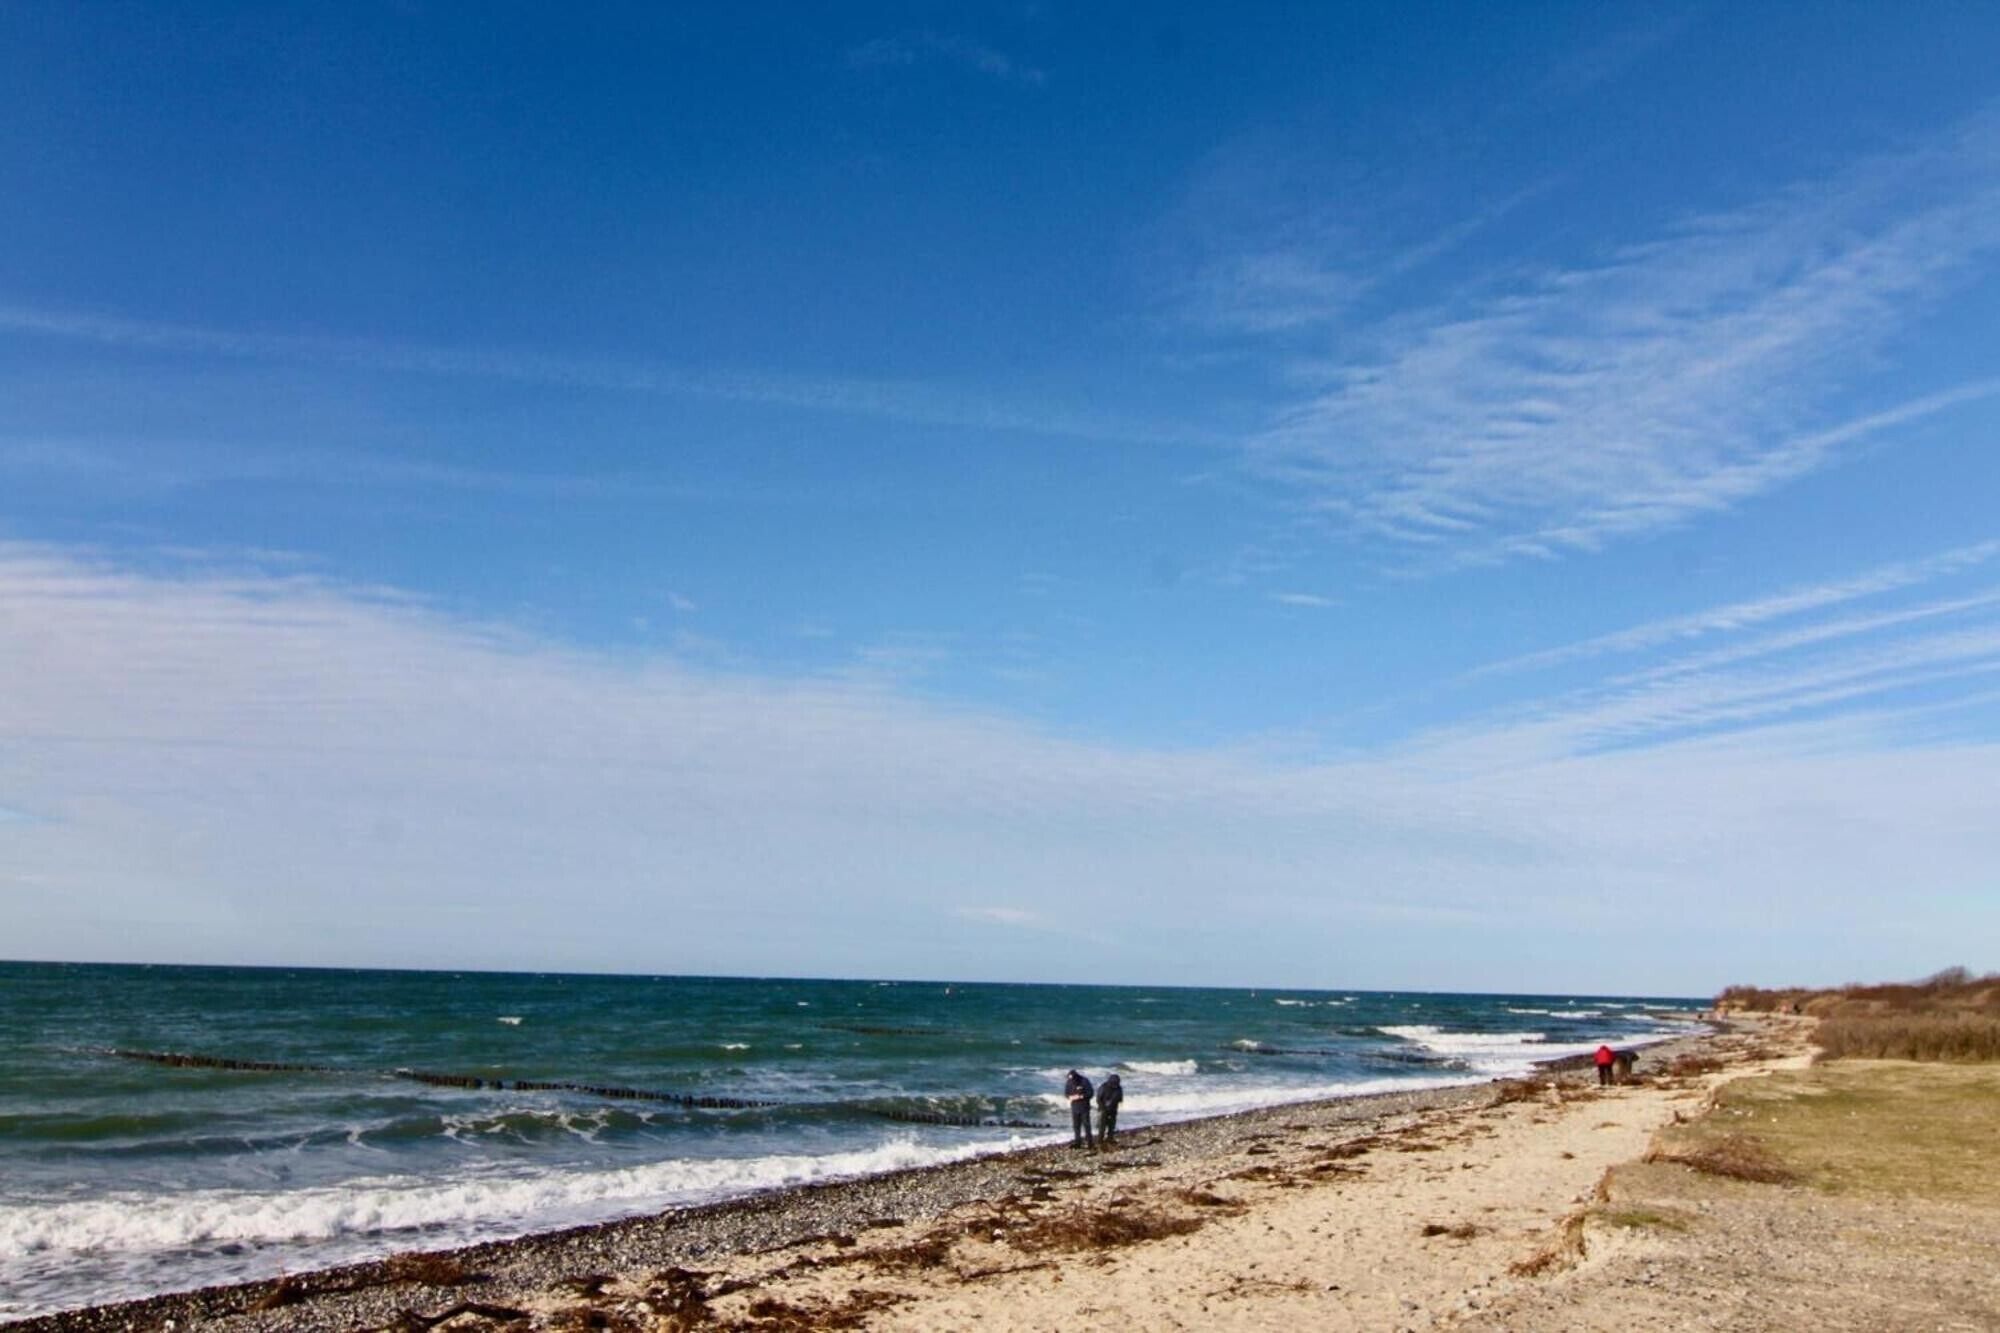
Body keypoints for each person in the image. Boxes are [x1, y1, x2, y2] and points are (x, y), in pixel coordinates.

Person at [1064, 1069, 1095, 1147]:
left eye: (1072, 1079)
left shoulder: (1084, 1081)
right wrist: (1070, 1097)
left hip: (1084, 1106)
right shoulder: (1069, 1082)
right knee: (1076, 1126)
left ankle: (1089, 1142)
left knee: (1086, 1125)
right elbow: (1066, 1093)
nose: (1071, 1080)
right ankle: (1077, 1142)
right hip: (1074, 1107)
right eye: (1070, 1079)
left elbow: (1091, 1093)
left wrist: (1081, 1096)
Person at [1095, 1072, 1123, 1144]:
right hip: (1103, 1110)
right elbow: (1098, 1099)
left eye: (1117, 1083)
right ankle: (1100, 1140)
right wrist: (1103, 1108)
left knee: (1111, 1126)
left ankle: (1110, 1139)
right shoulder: (1103, 1087)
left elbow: (1120, 1099)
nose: (1116, 1085)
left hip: (1113, 1109)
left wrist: (1114, 1100)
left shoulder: (1119, 1088)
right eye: (1115, 1083)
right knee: (1102, 1127)